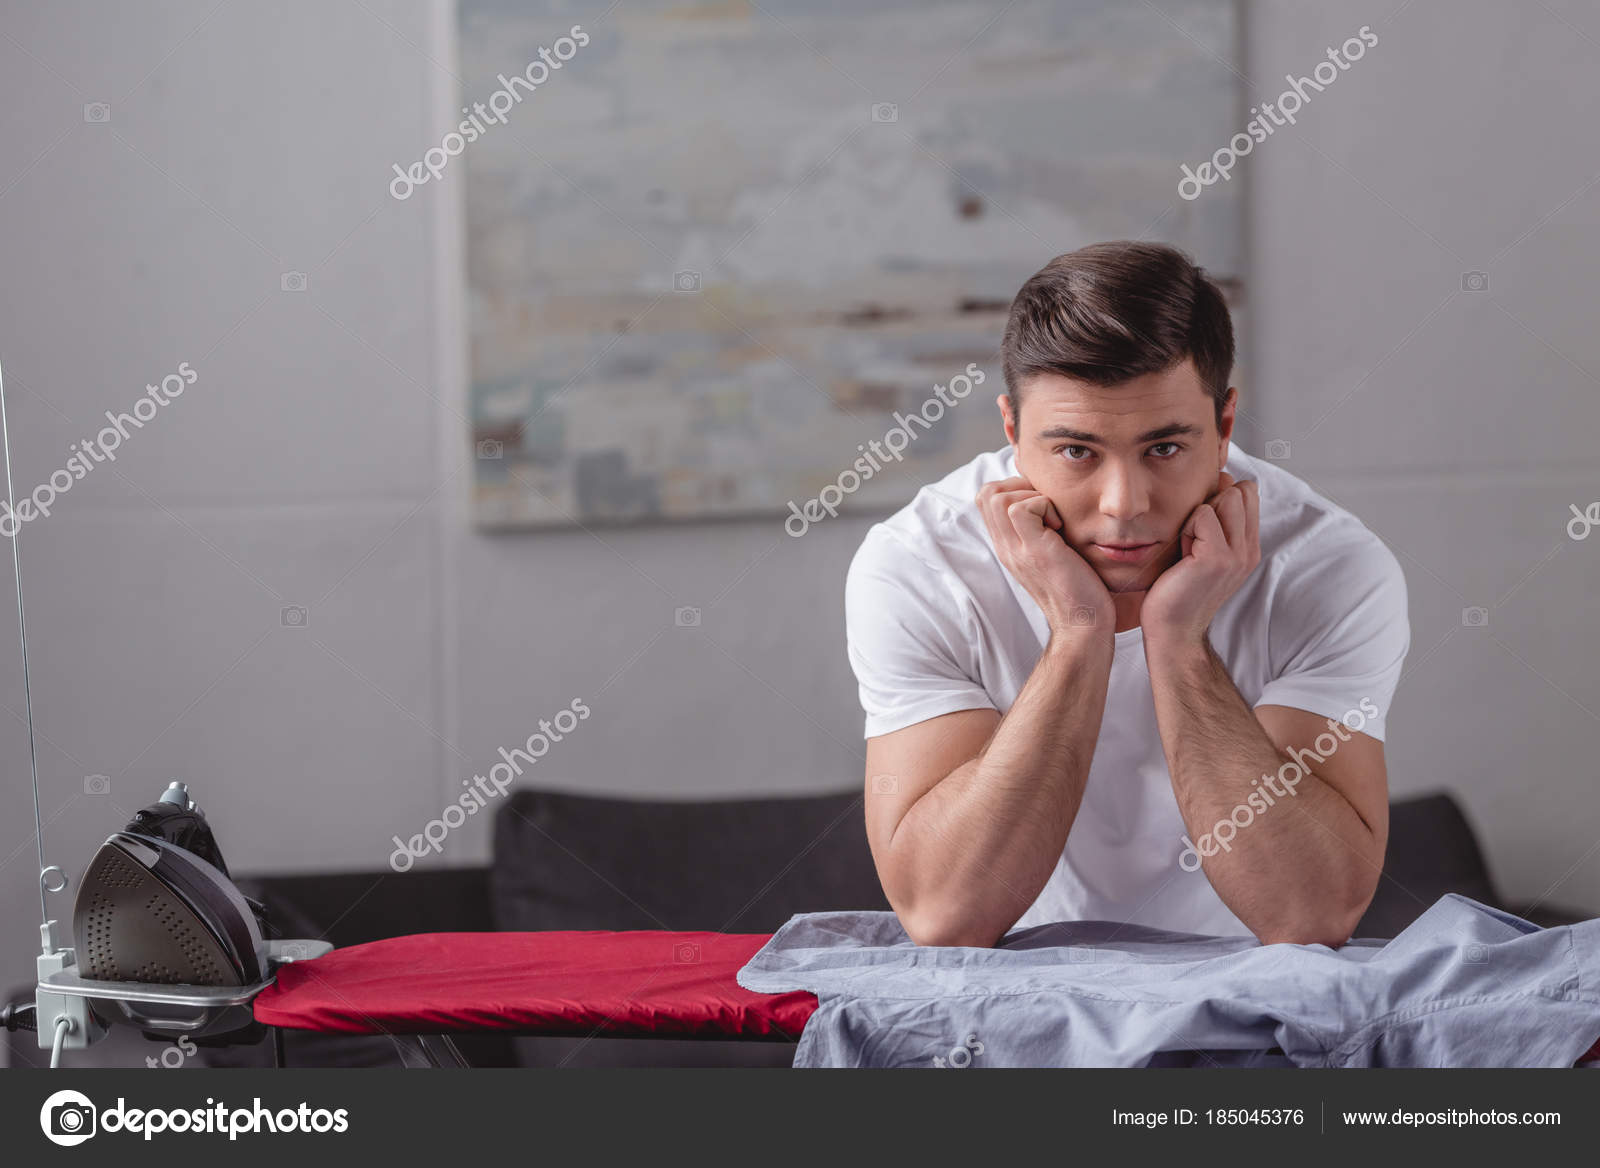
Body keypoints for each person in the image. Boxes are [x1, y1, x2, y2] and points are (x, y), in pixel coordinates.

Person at [846, 241, 1409, 948]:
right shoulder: (919, 567)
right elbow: (945, 915)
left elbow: (1311, 913)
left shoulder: (1329, 568)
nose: (1124, 504)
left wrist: (1178, 642)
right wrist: (1079, 631)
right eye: (1076, 451)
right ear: (1013, 431)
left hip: (1252, 983)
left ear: (1224, 428)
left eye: (1164, 448)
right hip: (1013, 989)